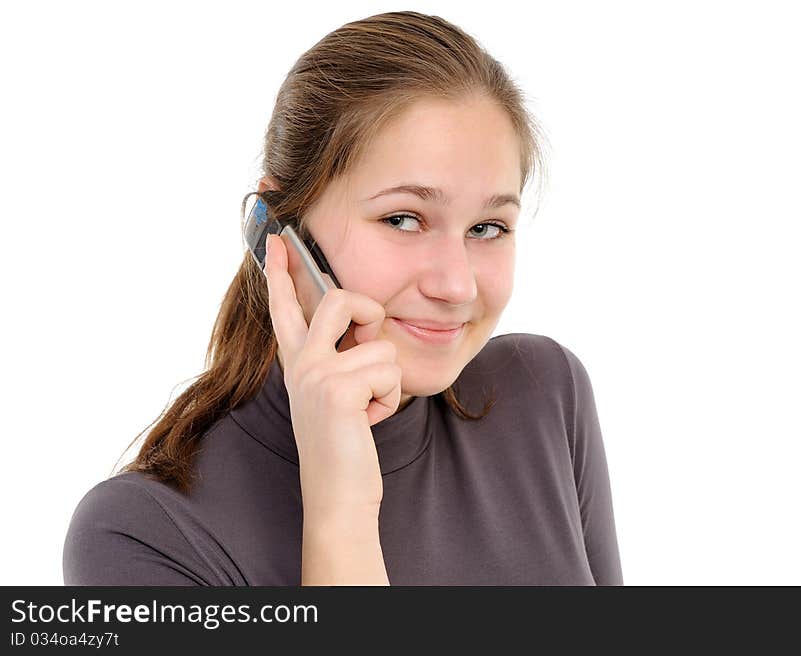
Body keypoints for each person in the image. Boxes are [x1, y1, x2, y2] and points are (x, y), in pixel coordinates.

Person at [62, 10, 623, 586]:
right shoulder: (142, 535)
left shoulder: (542, 396)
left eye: (487, 228)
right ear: (280, 232)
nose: (456, 286)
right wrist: (340, 509)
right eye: (403, 219)